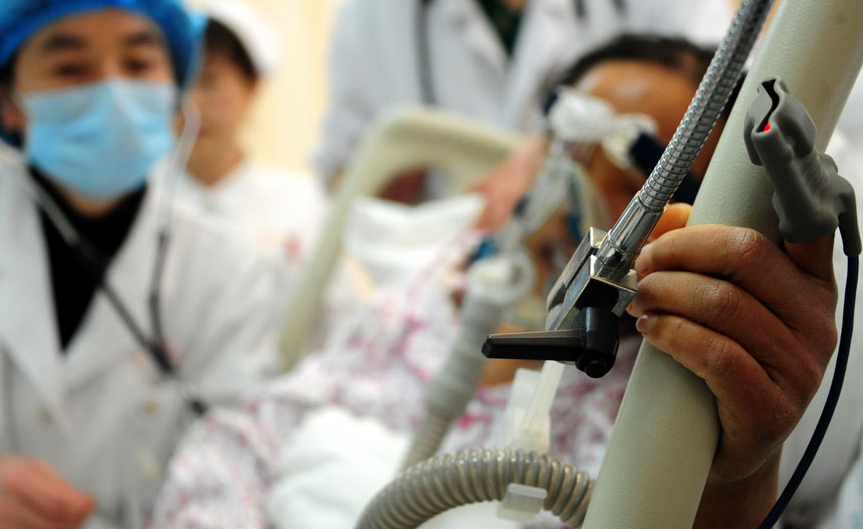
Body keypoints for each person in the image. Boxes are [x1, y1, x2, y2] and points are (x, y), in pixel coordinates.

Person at [150, 35, 845, 528]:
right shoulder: (440, 281)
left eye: (638, 169)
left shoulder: (660, 385)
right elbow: (253, 433)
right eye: (565, 143)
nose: (579, 182)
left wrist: (738, 479)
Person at [0, 0, 284, 528]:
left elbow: (243, 454)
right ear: (7, 101)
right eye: (70, 67)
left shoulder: (228, 267)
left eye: (139, 64)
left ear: (172, 91)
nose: (112, 89)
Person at [315, 0, 732, 198]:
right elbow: (345, 174)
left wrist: (556, 151)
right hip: (470, 288)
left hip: (636, 273)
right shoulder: (369, 10)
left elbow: (732, 88)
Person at [174, 0, 357, 341]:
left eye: (210, 82)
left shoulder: (304, 204)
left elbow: (341, 328)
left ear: (251, 85)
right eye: (178, 86)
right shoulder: (142, 208)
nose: (192, 105)